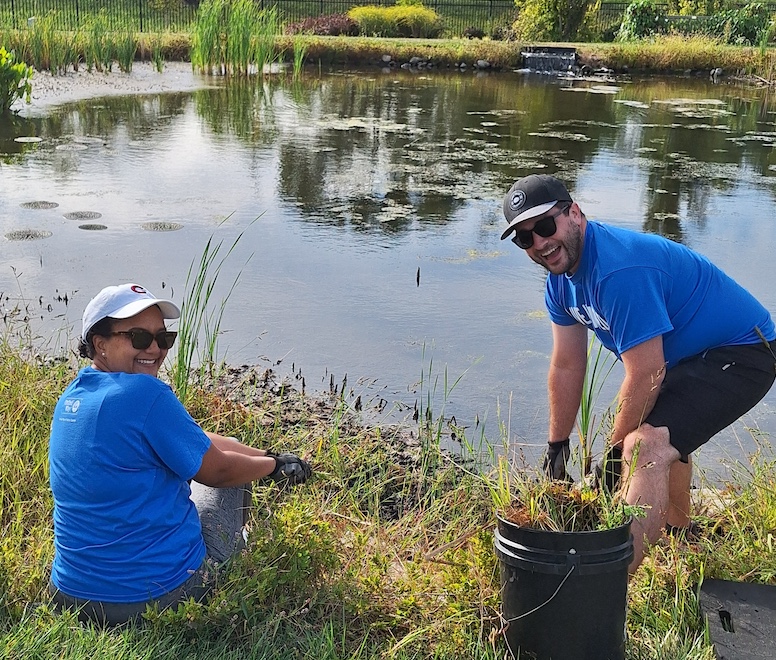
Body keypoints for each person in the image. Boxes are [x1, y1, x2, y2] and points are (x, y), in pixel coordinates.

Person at [500, 174, 776, 573]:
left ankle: (606, 581)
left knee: (644, 447)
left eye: (545, 227)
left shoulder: (617, 271)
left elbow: (647, 372)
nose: (540, 243)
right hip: (690, 357)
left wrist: (612, 457)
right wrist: (557, 446)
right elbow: (566, 364)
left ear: (574, 214)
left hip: (745, 352)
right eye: (525, 239)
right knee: (663, 430)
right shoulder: (560, 283)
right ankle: (682, 541)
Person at [48, 283, 312, 625]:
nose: (156, 350)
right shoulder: (145, 393)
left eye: (164, 338)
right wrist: (273, 467)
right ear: (100, 343)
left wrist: (267, 453)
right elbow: (218, 472)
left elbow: (195, 438)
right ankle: (236, 554)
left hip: (71, 594)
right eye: (140, 338)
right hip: (155, 597)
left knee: (226, 452)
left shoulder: (74, 396)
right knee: (233, 478)